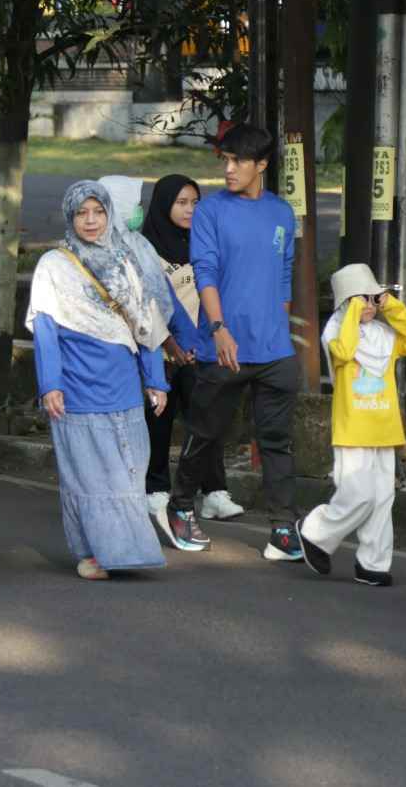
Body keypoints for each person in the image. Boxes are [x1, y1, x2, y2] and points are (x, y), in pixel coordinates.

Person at [164, 123, 302, 560]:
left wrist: (275, 325)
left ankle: (283, 528)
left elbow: (284, 277)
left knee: (277, 441)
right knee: (206, 433)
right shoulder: (212, 212)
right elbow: (204, 270)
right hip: (222, 345)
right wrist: (219, 328)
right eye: (225, 159)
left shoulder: (282, 213)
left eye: (239, 161)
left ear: (261, 165)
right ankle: (180, 505)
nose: (229, 169)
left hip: (275, 352)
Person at [27, 180, 172, 580]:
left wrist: (155, 379)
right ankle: (91, 553)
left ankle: (129, 550)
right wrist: (50, 384)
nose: (91, 221)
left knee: (128, 471)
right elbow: (45, 329)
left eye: (98, 212)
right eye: (81, 213)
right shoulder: (54, 265)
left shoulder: (125, 259)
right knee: (87, 475)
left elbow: (147, 323)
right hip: (76, 385)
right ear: (70, 217)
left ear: (109, 214)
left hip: (123, 383)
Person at [297, 264, 406, 586]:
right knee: (359, 495)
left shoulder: (384, 335)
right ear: (346, 303)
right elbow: (344, 351)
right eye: (361, 299)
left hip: (384, 427)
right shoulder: (336, 332)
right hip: (352, 428)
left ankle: (373, 563)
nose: (369, 306)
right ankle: (315, 532)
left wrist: (389, 304)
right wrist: (353, 310)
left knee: (383, 498)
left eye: (372, 299)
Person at [139, 174, 242, 540]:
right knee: (160, 421)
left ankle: (214, 491)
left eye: (195, 202)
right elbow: (149, 303)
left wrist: (202, 341)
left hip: (199, 348)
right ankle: (157, 490)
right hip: (160, 347)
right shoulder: (145, 248)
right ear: (164, 203)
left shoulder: (203, 243)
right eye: (181, 202)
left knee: (206, 419)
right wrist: (171, 344)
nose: (189, 210)